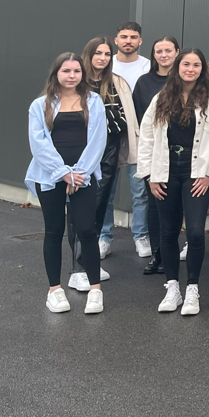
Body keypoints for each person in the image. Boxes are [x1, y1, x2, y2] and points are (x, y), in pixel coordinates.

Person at [136, 48, 209, 316]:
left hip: (196, 171)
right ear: (178, 66)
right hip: (165, 170)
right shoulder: (161, 97)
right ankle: (172, 287)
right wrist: (149, 175)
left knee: (196, 231)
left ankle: (192, 289)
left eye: (196, 65)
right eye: (186, 64)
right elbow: (147, 137)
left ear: (202, 68)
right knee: (168, 231)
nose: (191, 69)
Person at [27, 53, 108, 314]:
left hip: (83, 176)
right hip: (50, 176)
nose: (72, 75)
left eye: (76, 71)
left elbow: (98, 139)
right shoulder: (40, 105)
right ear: (56, 74)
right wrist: (63, 173)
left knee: (87, 230)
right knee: (53, 231)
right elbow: (38, 143)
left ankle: (95, 291)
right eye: (66, 71)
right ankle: (54, 290)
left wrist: (78, 173)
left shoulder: (93, 101)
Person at [75, 37, 136, 274]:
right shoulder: (76, 80)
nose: (102, 58)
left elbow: (125, 119)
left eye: (107, 54)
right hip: (79, 150)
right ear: (88, 54)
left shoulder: (116, 83)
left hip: (108, 150)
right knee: (80, 206)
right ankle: (77, 261)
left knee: (100, 204)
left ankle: (88, 261)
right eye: (98, 53)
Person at [131, 36, 179, 275]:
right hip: (153, 150)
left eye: (168, 50)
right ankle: (157, 254)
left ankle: (171, 253)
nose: (163, 55)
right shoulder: (144, 82)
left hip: (179, 153)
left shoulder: (184, 80)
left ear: (177, 52)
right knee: (153, 203)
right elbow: (142, 120)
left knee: (175, 205)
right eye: (159, 51)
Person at [109, 22, 151, 259]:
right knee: (106, 190)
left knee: (140, 190)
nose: (128, 41)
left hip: (138, 133)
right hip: (111, 134)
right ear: (116, 40)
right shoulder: (107, 63)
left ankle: (141, 235)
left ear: (140, 41)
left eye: (133, 37)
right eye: (123, 36)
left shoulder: (146, 67)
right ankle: (104, 237)